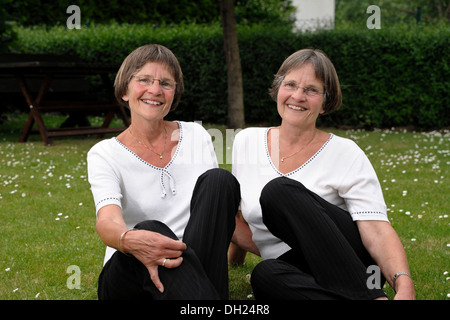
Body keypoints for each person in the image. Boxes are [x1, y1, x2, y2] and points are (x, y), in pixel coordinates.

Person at [230, 48, 415, 300]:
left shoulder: (345, 152)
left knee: (279, 191)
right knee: (265, 274)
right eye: (291, 84)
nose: (297, 96)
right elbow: (240, 213)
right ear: (277, 89)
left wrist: (404, 286)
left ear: (326, 102)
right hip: (297, 264)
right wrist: (234, 258)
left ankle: (373, 297)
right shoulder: (246, 141)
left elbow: (376, 228)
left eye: (311, 90)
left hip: (354, 262)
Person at [87, 44, 240, 300]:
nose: (155, 90)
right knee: (150, 228)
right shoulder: (105, 153)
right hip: (132, 270)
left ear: (174, 93)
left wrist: (243, 255)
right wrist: (129, 239)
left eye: (166, 83)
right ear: (125, 90)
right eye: (144, 80)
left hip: (193, 262)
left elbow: (215, 214)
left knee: (220, 180)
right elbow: (107, 220)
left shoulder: (196, 135)